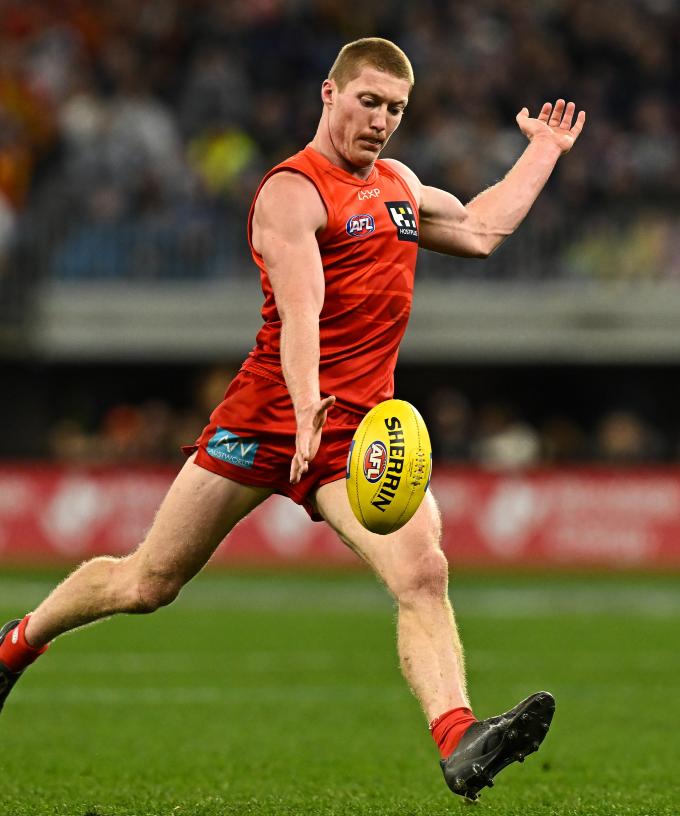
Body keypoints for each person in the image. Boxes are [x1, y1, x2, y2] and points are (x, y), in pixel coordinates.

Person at [0, 38, 585, 801]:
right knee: (148, 582)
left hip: (356, 436)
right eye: (368, 101)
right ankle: (13, 647)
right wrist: (306, 403)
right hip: (266, 416)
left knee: (423, 573)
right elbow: (301, 308)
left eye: (395, 108)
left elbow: (478, 229)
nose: (380, 121)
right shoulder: (292, 192)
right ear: (329, 94)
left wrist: (543, 151)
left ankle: (459, 738)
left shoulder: (400, 188)